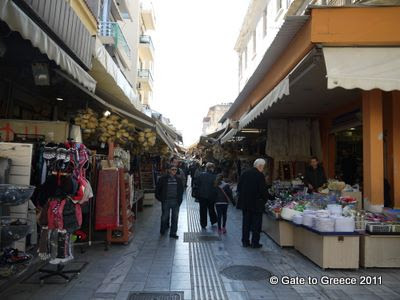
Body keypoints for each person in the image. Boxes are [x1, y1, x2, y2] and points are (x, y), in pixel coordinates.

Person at [237, 158, 269, 248]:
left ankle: (245, 241)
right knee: (256, 224)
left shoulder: (245, 174)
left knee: (246, 223)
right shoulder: (260, 175)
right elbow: (263, 190)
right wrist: (266, 199)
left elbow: (239, 188)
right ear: (260, 166)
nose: (263, 168)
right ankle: (255, 242)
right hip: (256, 204)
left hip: (245, 204)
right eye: (263, 167)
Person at [155, 164, 184, 239]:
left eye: (175, 170)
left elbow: (181, 190)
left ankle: (173, 233)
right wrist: (161, 199)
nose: (174, 171)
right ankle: (162, 230)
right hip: (166, 201)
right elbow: (157, 190)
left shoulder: (178, 179)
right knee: (164, 217)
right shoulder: (163, 179)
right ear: (169, 170)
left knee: (175, 218)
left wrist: (179, 200)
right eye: (172, 169)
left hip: (175, 202)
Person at [194, 162, 218, 228]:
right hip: (211, 196)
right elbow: (216, 187)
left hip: (202, 196)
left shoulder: (201, 175)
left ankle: (203, 224)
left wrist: (197, 194)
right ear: (211, 168)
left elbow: (196, 184)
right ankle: (213, 220)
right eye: (213, 168)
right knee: (211, 208)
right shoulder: (214, 176)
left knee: (202, 210)